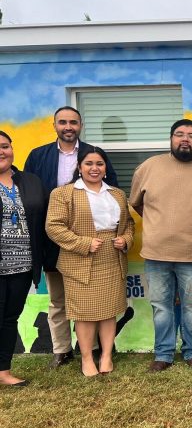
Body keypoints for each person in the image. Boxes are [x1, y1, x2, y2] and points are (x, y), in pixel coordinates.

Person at [24, 106, 118, 368]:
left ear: (80, 125)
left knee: (94, 297)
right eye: (63, 122)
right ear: (54, 125)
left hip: (94, 244)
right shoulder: (38, 155)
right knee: (58, 299)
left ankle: (98, 350)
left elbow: (113, 190)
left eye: (73, 122)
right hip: (54, 239)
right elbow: (30, 194)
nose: (68, 126)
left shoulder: (94, 154)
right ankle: (62, 349)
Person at [129, 119, 192, 372]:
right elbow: (136, 203)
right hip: (157, 253)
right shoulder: (149, 167)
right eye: (179, 134)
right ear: (170, 139)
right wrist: (159, 223)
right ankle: (163, 354)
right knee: (161, 306)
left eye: (191, 135)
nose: (185, 139)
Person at [45, 146, 134, 377]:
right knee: (84, 312)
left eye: (99, 164)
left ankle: (105, 356)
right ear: (79, 167)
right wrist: (83, 244)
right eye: (89, 164)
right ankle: (86, 359)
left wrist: (125, 240)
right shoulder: (63, 193)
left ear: (105, 168)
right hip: (80, 260)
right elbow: (53, 227)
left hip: (112, 258)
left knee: (108, 310)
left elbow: (129, 225)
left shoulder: (116, 194)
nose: (94, 168)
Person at [0, 131, 46, 387]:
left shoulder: (30, 181)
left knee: (9, 318)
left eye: (5, 146)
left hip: (22, 264)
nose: (1, 152)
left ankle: (4, 372)